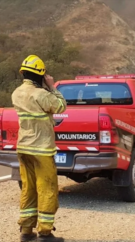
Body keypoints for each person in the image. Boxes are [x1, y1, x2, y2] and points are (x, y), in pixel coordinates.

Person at [12, 55, 67, 242]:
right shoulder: (42, 94)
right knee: (47, 188)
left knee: (28, 188)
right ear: (41, 75)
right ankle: (45, 233)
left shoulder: (17, 93)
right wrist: (51, 86)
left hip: (23, 148)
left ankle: (26, 231)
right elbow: (61, 106)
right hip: (41, 149)